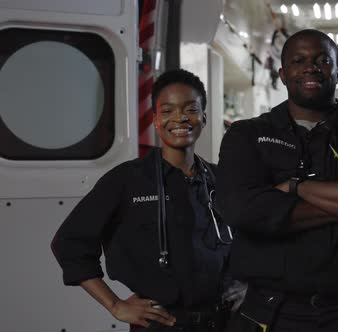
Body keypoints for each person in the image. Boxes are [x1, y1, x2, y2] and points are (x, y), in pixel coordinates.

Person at [215, 29, 338, 332]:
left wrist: (296, 187)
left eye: (322, 60)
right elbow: (242, 210)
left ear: (337, 71)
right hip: (271, 311)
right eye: (298, 60)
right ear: (282, 74)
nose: (310, 67)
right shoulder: (246, 136)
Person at [52, 69, 245, 331]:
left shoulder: (221, 179)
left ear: (204, 117)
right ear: (155, 120)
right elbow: (69, 242)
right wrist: (115, 305)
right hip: (161, 324)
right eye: (167, 111)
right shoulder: (127, 180)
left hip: (224, 323)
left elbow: (251, 240)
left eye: (190, 109)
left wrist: (246, 284)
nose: (179, 118)